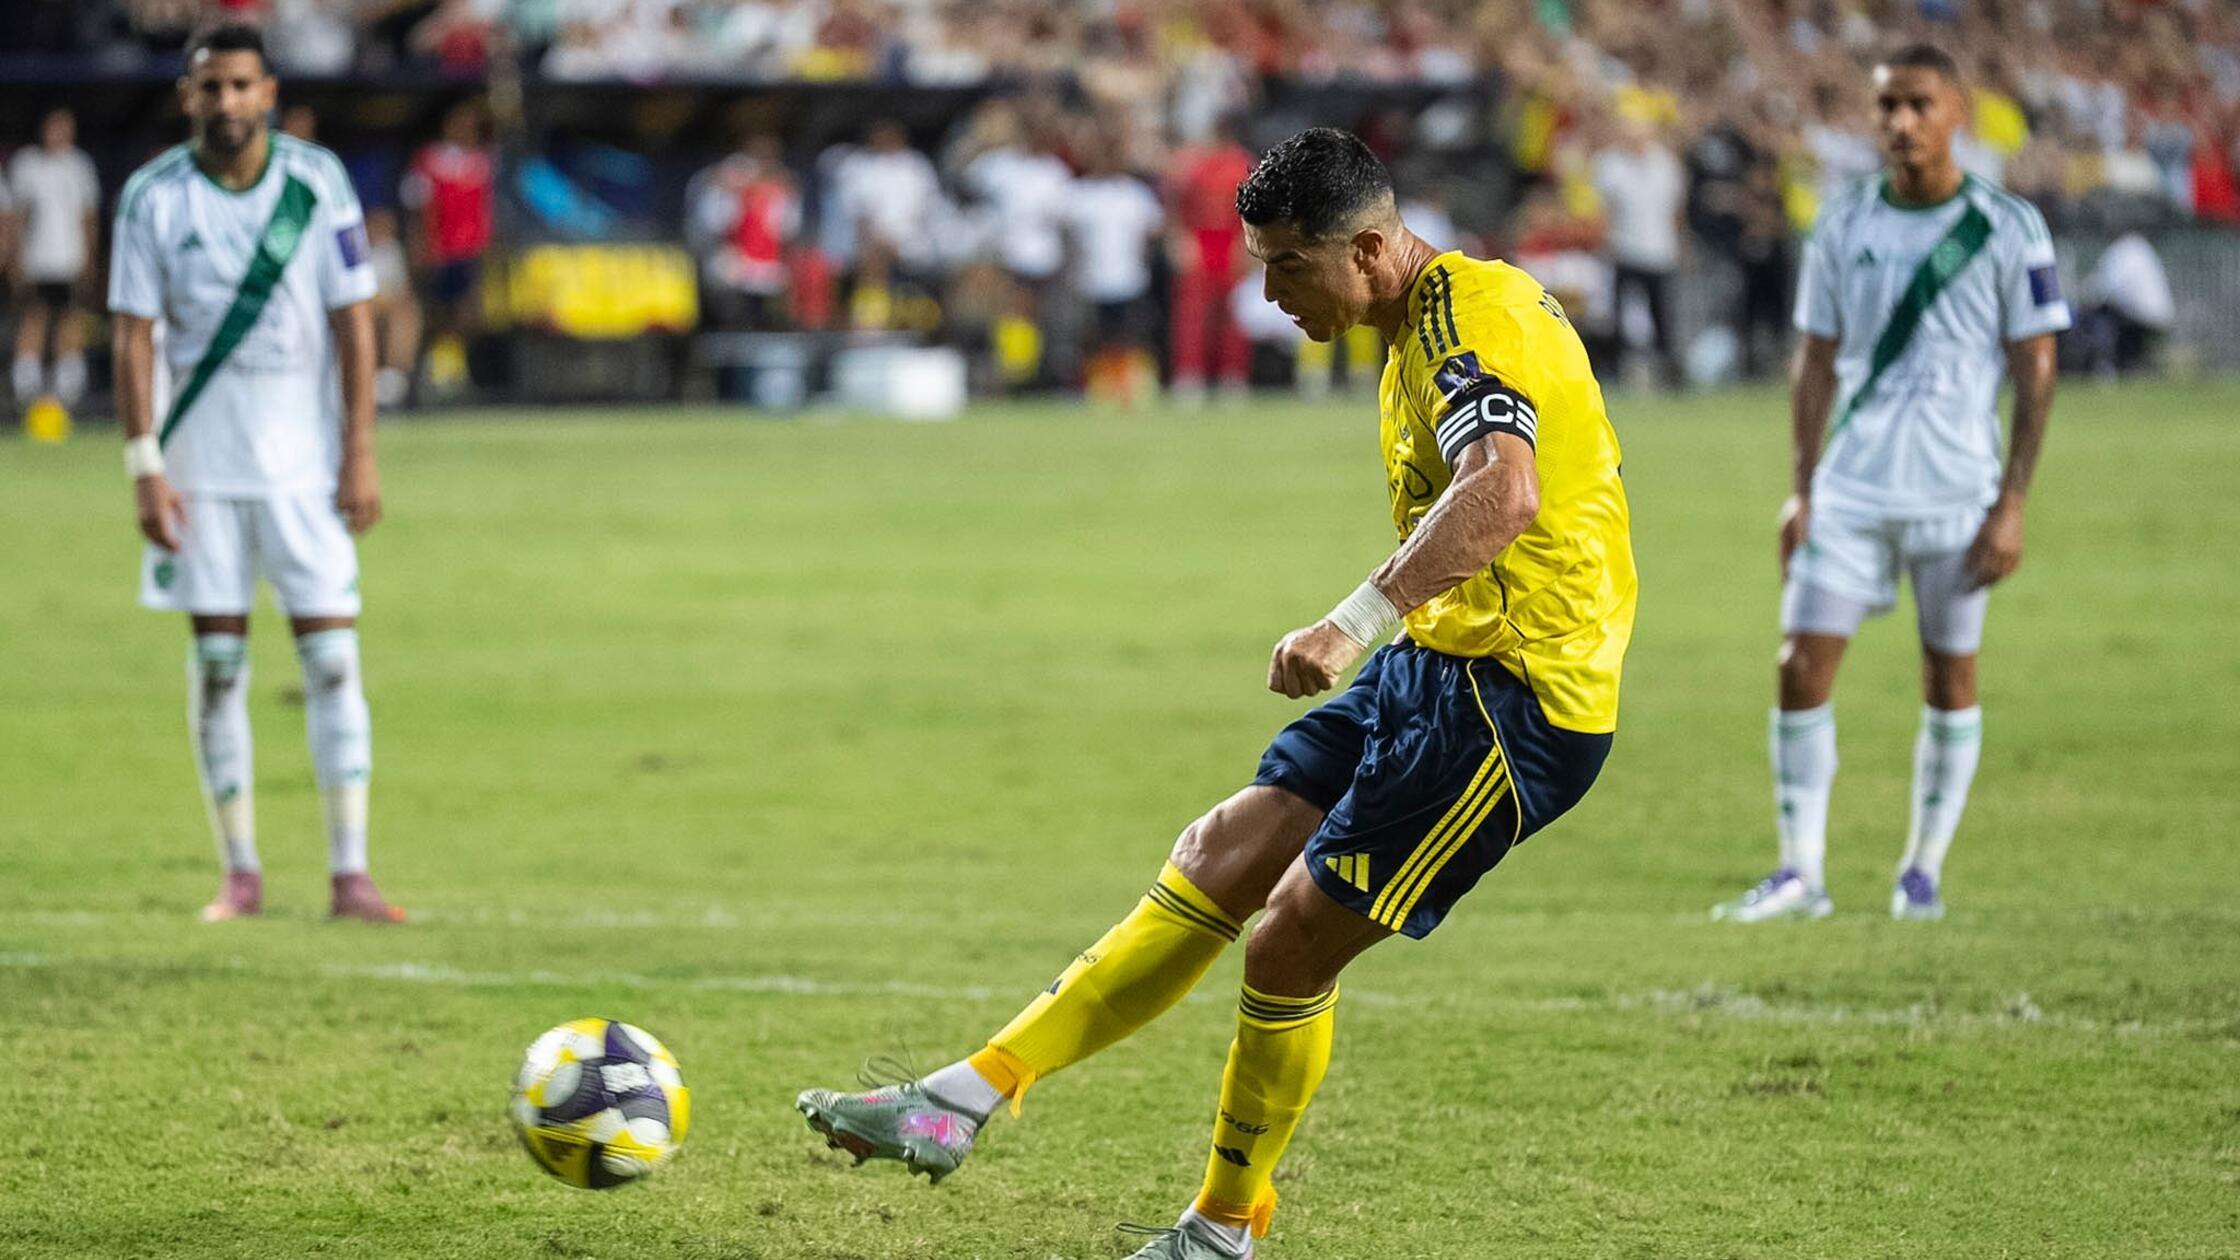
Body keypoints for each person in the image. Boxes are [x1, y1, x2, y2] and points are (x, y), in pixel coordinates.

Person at [795, 128, 1636, 1260]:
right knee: (1218, 852)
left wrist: (1351, 622)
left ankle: (1222, 1229)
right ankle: (958, 1098)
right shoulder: (1420, 319)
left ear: (1369, 249)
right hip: (1444, 659)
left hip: (1514, 700)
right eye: (1260, 265)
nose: (1271, 293)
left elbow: (1505, 491)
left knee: (1287, 945)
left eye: (1290, 266)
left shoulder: (1467, 323)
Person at [1712, 45, 2068, 924]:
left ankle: (1922, 870)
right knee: (1800, 666)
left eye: (1918, 104)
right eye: (1887, 107)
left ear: (1958, 114)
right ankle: (1801, 871)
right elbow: (1815, 360)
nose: (1901, 123)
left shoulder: (2007, 226)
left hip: (1958, 494)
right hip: (1853, 489)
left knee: (1949, 678)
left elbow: (2037, 368)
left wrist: (2013, 502)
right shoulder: (1842, 222)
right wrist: (1802, 489)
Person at [108, 23, 405, 924]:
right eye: (211, 87)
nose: (227, 101)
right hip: (198, 467)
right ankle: (239, 872)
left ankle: (351, 872)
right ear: (187, 97)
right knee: (218, 667)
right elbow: (132, 337)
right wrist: (144, 465)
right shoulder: (153, 197)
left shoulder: (317, 184)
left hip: (304, 469)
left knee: (333, 663)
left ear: (269, 92)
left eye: (242, 84)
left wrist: (360, 449)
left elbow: (355, 321)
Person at [9, 108, 101, 410]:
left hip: (71, 259)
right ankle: (26, 387)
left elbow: (88, 216)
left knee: (70, 316)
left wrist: (90, 259)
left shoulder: (80, 166)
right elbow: (18, 217)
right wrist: (16, 259)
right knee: (35, 315)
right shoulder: (27, 164)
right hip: (37, 260)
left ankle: (68, 387)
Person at [1590, 114, 1685, 389]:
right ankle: (1617, 366)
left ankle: (1666, 368)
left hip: (1659, 249)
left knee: (1662, 314)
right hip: (1624, 248)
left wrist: (1679, 243)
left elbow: (1674, 209)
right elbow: (1604, 209)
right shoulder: (1610, 164)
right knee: (1619, 314)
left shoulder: (1664, 163)